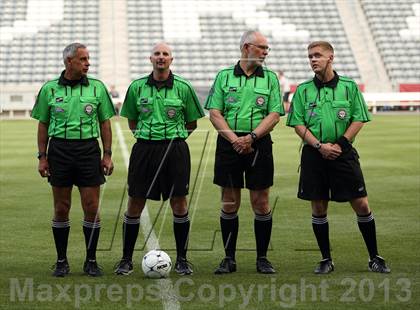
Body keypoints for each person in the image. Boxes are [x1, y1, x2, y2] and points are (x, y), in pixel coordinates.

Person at [286, 41, 390, 274]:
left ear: (331, 57)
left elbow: (358, 118)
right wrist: (320, 146)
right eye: (310, 56)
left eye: (317, 56)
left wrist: (339, 145)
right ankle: (326, 259)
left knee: (361, 204)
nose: (313, 60)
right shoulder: (302, 90)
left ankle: (374, 257)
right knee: (319, 206)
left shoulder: (349, 87)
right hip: (314, 155)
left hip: (343, 154)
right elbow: (297, 123)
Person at [114, 42, 205, 276]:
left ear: (171, 60)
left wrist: (172, 139)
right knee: (135, 201)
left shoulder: (184, 88)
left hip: (174, 150)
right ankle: (125, 260)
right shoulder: (136, 87)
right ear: (150, 59)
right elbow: (132, 120)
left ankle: (183, 260)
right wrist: (147, 139)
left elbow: (192, 122)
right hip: (144, 150)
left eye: (165, 54)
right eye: (157, 54)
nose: (161, 57)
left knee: (179, 202)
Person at [31, 42, 116, 277]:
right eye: (83, 59)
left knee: (91, 207)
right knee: (61, 208)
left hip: (88, 150)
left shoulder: (97, 88)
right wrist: (42, 157)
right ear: (69, 61)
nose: (88, 63)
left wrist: (107, 154)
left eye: (88, 59)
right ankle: (61, 260)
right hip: (59, 151)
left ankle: (91, 260)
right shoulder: (49, 89)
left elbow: (105, 123)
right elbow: (43, 125)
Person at [205, 30, 284, 274]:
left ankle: (262, 258)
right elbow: (215, 113)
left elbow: (274, 114)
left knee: (261, 203)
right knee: (230, 202)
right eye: (262, 48)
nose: (266, 52)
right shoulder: (224, 76)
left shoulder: (270, 78)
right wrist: (235, 140)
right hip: (229, 144)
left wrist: (250, 138)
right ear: (247, 47)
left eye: (267, 49)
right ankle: (229, 258)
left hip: (258, 143)